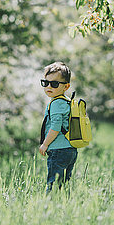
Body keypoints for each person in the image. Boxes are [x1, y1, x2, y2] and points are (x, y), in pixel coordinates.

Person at [39, 61, 78, 193]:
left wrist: (45, 144)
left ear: (66, 87)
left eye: (54, 84)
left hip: (58, 150)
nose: (49, 86)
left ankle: (49, 207)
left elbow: (55, 127)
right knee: (64, 185)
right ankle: (63, 206)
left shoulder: (56, 104)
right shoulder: (67, 102)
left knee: (53, 185)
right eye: (45, 82)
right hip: (70, 149)